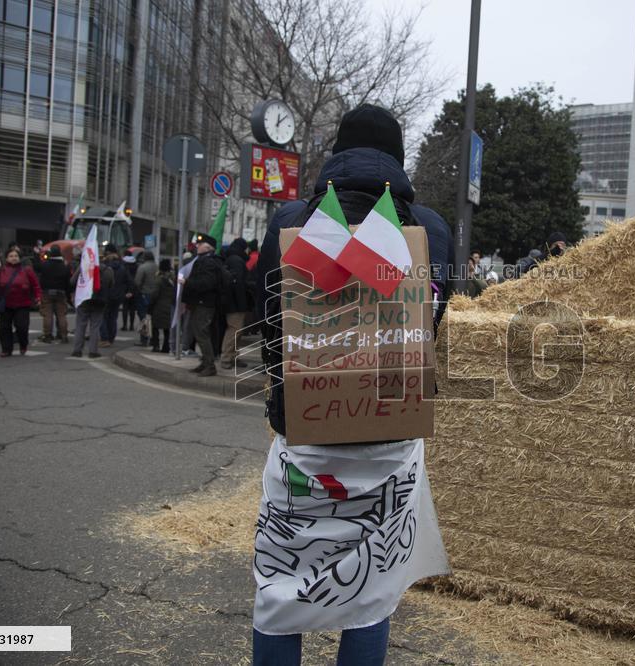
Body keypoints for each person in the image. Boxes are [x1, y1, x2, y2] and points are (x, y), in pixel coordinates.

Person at [251, 103, 451, 666]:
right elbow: (434, 320)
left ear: (337, 150)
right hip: (390, 434)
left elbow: (267, 315)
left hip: (306, 430)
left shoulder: (291, 220)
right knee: (371, 592)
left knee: (282, 584)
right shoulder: (430, 228)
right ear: (400, 158)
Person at [180, 233, 222, 376]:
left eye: (200, 244)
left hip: (204, 304)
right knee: (199, 333)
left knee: (202, 333)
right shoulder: (203, 260)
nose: (197, 246)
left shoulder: (208, 262)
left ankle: (209, 366)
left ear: (208, 248)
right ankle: (205, 363)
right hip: (200, 303)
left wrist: (187, 282)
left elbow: (207, 283)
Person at [0, 248, 41, 357]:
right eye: (11, 256)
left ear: (19, 258)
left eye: (16, 256)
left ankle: (23, 344)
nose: (14, 258)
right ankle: (6, 349)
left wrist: (38, 297)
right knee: (4, 328)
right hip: (6, 304)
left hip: (23, 304)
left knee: (22, 327)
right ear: (6, 258)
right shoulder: (1, 270)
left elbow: (36, 285)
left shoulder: (27, 270)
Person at [71, 259, 114, 359]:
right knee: (95, 326)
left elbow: (72, 281)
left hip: (84, 299)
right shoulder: (108, 270)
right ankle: (93, 351)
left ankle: (77, 350)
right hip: (99, 300)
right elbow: (111, 284)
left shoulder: (83, 267)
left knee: (80, 325)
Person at [220, 239, 251, 370]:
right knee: (234, 330)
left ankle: (233, 356)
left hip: (231, 302)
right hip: (236, 303)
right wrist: (242, 303)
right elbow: (239, 284)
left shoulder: (231, 259)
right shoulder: (237, 261)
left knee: (236, 330)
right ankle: (227, 358)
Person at [38, 245, 71, 343]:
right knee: (61, 315)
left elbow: (39, 272)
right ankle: (63, 335)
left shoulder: (45, 265)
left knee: (47, 314)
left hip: (47, 291)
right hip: (61, 292)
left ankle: (48, 335)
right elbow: (68, 282)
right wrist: (68, 294)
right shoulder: (64, 266)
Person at [99, 251, 131, 347]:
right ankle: (111, 337)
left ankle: (104, 338)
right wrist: (126, 291)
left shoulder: (106, 269)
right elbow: (129, 281)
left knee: (103, 317)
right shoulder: (123, 268)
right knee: (113, 317)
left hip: (106, 295)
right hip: (118, 296)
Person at [149, 259, 175, 353]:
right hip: (170, 305)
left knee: (155, 326)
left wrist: (150, 305)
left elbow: (154, 294)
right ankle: (166, 347)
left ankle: (156, 345)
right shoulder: (173, 279)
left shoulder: (159, 280)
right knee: (167, 328)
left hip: (158, 306)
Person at [134, 251, 158, 345]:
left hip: (144, 293)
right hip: (155, 295)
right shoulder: (157, 267)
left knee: (143, 317)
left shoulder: (142, 267)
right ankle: (153, 339)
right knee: (153, 317)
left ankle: (144, 339)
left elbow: (137, 282)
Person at [120, 251, 138, 331]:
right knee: (132, 308)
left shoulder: (123, 265)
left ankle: (124, 325)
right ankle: (131, 325)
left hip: (125, 288)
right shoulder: (136, 265)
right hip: (134, 288)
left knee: (125, 307)